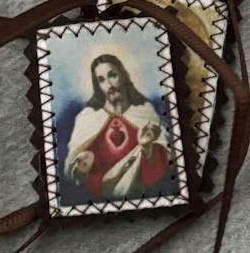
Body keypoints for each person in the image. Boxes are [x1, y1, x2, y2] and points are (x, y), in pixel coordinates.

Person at [64, 53, 171, 199]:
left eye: (112, 75)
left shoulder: (145, 112)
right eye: (101, 80)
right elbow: (75, 174)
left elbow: (163, 161)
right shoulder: (88, 118)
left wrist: (147, 147)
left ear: (123, 76)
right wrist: (82, 167)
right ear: (97, 85)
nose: (109, 84)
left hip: (143, 196)